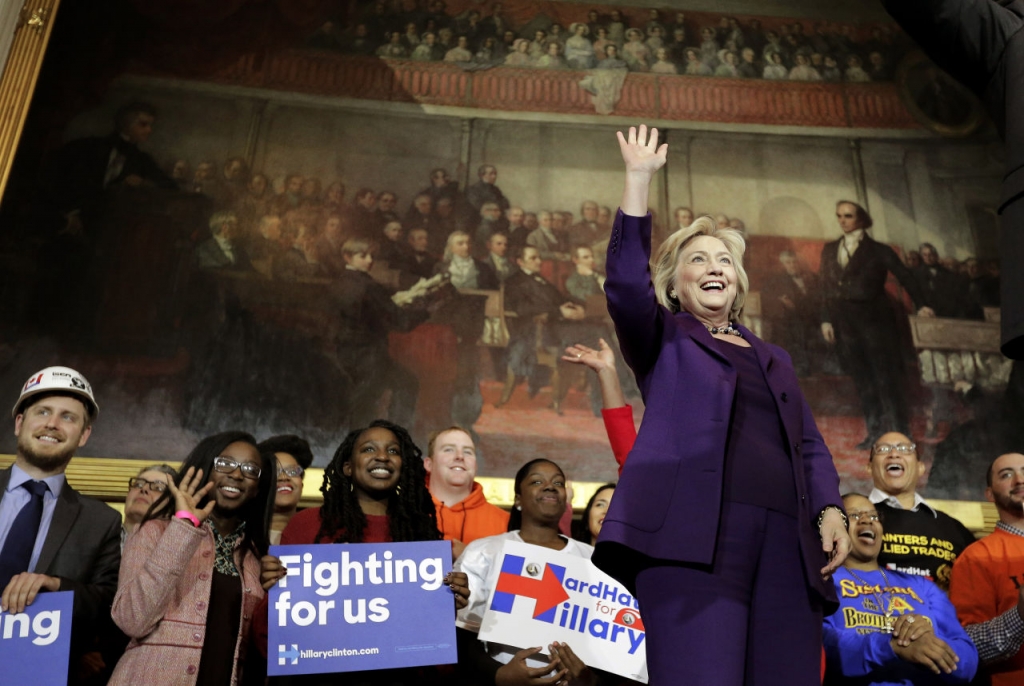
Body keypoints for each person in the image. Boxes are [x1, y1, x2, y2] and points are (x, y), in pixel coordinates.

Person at [591, 125, 850, 685]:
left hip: (787, 546)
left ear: (737, 282)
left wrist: (829, 509)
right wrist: (638, 180)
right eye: (698, 260)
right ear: (674, 285)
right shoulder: (663, 337)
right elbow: (625, 286)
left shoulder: (774, 356)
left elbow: (807, 444)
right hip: (694, 541)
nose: (714, 268)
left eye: (724, 262)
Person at [254, 420, 470, 685]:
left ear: (404, 467)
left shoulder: (419, 532)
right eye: (369, 449)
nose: (382, 456)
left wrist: (450, 600)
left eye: (393, 451)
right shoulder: (308, 525)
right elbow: (273, 634)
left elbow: (427, 636)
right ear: (347, 467)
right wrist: (275, 589)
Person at [108, 431, 274, 686]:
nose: (237, 474)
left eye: (250, 469)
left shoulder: (258, 556)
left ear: (256, 489)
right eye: (226, 464)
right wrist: (185, 527)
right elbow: (133, 620)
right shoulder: (156, 531)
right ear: (206, 469)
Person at [0, 366, 121, 681]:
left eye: (68, 417)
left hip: (31, 672)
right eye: (42, 412)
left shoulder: (102, 521)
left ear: (83, 435)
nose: (52, 424)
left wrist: (56, 585)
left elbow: (111, 603)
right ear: (19, 423)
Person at [455, 458, 597, 686]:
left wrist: (591, 680)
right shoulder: (485, 552)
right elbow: (462, 636)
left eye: (558, 483)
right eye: (537, 481)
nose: (550, 486)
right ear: (518, 499)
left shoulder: (592, 559)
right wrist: (500, 676)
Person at [823, 493, 978, 684]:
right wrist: (891, 645)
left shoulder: (921, 585)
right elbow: (823, 645)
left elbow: (968, 660)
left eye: (874, 516)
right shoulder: (824, 580)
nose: (867, 521)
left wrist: (929, 646)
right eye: (854, 515)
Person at [820, 200, 933, 449]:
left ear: (861, 220)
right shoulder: (829, 249)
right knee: (863, 382)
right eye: (839, 216)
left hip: (876, 325)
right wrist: (826, 319)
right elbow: (825, 288)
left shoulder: (879, 250)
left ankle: (902, 434)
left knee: (888, 381)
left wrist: (923, 304)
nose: (842, 221)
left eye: (848, 216)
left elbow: (905, 276)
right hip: (846, 326)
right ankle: (874, 433)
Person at [948, 452, 1024, 685]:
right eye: (1006, 474)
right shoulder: (976, 557)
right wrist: (1020, 615)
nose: (1019, 480)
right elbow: (966, 646)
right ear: (989, 494)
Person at [867, 431, 976, 592]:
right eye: (883, 449)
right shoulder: (848, 519)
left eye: (905, 449)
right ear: (869, 468)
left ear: (920, 468)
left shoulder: (954, 528)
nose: (894, 454)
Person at [424, 426, 510, 559]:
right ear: (429, 464)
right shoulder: (402, 513)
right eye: (448, 450)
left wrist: (468, 555)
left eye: (468, 452)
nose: (459, 456)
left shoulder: (506, 522)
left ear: (475, 466)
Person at [258, 434, 314, 546]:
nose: (284, 477)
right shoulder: (241, 537)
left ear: (301, 485)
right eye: (275, 472)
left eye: (293, 472)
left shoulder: (321, 535)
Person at [122, 464, 177, 548]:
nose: (144, 489)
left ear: (172, 506)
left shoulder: (174, 548)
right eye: (138, 485)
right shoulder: (99, 533)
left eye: (158, 488)